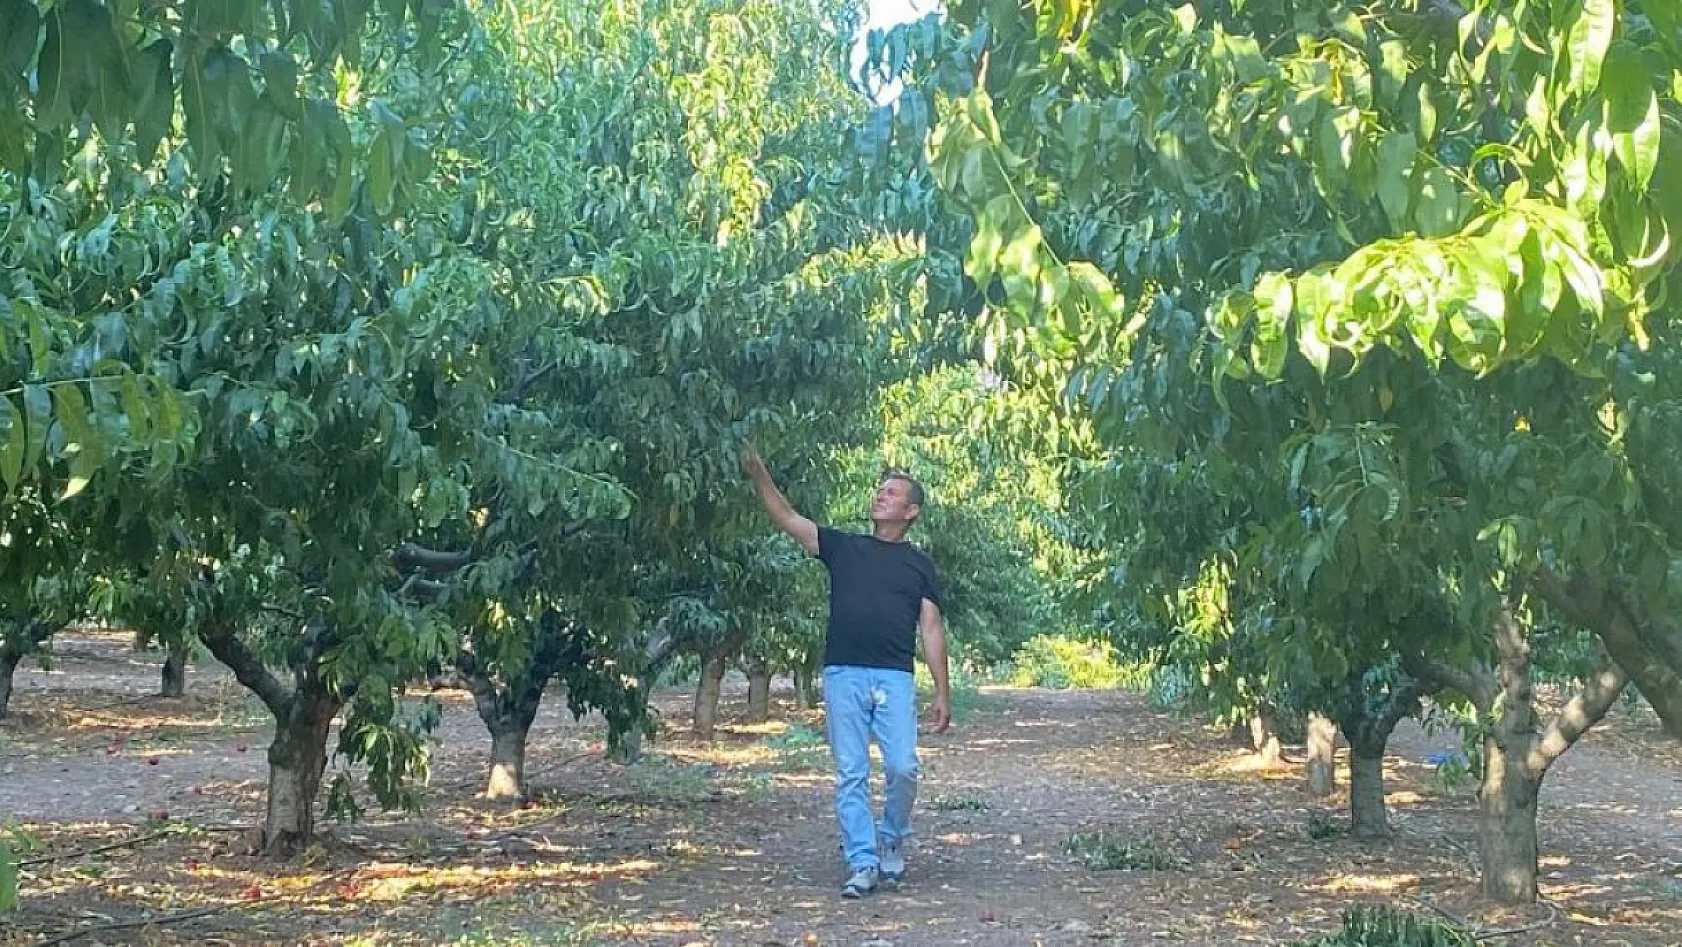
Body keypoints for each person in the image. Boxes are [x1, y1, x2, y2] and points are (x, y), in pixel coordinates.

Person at [741, 442, 951, 899]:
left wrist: (942, 691)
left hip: (894, 677)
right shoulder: (843, 547)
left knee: (903, 767)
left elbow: (931, 628)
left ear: (911, 511)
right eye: (881, 489)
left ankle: (892, 833)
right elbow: (788, 519)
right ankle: (862, 861)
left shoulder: (920, 565)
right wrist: (760, 475)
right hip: (843, 674)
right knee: (851, 774)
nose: (881, 495)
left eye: (893, 493)